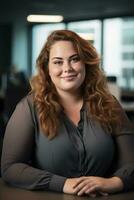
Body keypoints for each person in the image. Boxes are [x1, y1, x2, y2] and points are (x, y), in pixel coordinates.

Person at [1, 30, 134, 197]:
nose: (67, 68)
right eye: (58, 62)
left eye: (75, 59)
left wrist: (113, 182)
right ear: (46, 68)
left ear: (86, 63)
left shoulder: (109, 104)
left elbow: (132, 162)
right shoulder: (29, 108)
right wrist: (63, 184)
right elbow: (10, 167)